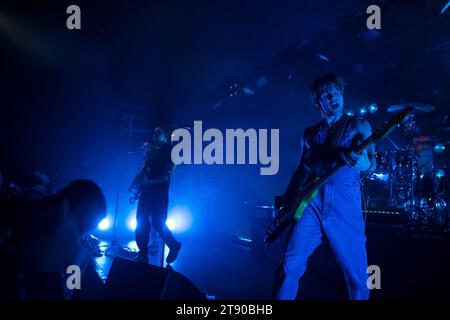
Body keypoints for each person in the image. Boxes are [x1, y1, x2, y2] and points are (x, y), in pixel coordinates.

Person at [273, 74, 377, 300]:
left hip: (344, 204)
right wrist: (288, 198)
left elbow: (371, 162)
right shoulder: (309, 134)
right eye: (327, 95)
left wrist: (362, 162)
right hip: (311, 204)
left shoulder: (358, 124)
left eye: (336, 93)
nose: (333, 98)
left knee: (358, 277)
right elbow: (302, 170)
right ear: (317, 102)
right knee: (289, 265)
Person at [129, 127, 181, 264]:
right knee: (141, 222)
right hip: (146, 192)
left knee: (158, 222)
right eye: (155, 133)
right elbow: (145, 168)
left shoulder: (171, 152)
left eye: (159, 133)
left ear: (165, 136)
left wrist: (150, 181)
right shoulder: (152, 151)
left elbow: (167, 176)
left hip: (159, 194)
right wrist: (136, 182)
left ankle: (173, 245)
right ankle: (142, 253)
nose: (156, 136)